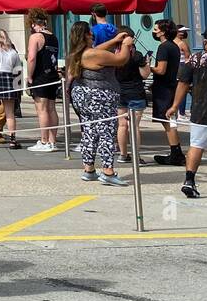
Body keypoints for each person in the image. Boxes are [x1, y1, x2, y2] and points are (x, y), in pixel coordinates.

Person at [66, 22, 133, 186]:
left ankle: (89, 169)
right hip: (99, 96)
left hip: (83, 97)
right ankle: (108, 171)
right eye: (91, 33)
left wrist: (114, 40)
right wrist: (126, 44)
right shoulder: (93, 55)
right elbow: (121, 59)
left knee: (89, 132)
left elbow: (98, 49)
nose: (93, 35)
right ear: (86, 35)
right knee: (106, 132)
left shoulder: (77, 53)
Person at [165, 25, 207, 199]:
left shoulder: (195, 59)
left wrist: (175, 105)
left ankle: (189, 180)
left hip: (200, 111)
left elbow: (183, 83)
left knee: (196, 146)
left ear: (205, 41)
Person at [150, 20, 185, 167]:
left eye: (156, 29)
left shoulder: (163, 47)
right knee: (169, 121)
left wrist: (147, 67)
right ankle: (176, 152)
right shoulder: (174, 46)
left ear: (163, 32)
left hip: (163, 88)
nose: (154, 31)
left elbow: (161, 70)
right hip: (171, 85)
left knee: (167, 121)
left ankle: (176, 153)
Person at [25, 9, 61, 152]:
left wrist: (29, 76)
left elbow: (31, 58)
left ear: (33, 23)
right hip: (53, 75)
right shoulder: (54, 37)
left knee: (42, 109)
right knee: (51, 108)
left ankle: (44, 141)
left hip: (40, 76)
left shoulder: (35, 37)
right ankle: (52, 141)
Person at [112, 26, 147, 161]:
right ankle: (136, 156)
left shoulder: (114, 54)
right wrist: (147, 63)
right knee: (134, 126)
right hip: (135, 91)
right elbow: (145, 74)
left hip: (119, 91)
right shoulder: (136, 55)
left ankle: (123, 154)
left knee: (122, 125)